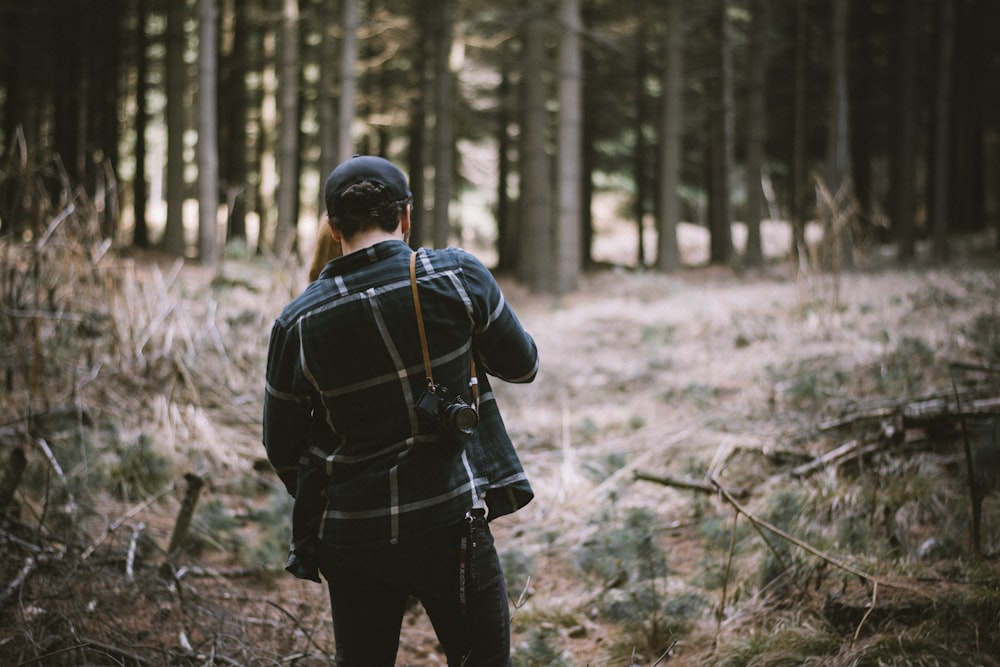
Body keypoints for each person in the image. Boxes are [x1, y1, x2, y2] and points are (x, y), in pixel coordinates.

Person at [263, 155, 539, 666]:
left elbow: (281, 447)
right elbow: (523, 366)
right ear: (406, 216)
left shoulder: (295, 323)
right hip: (449, 525)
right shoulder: (457, 276)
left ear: (333, 226)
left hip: (352, 537)